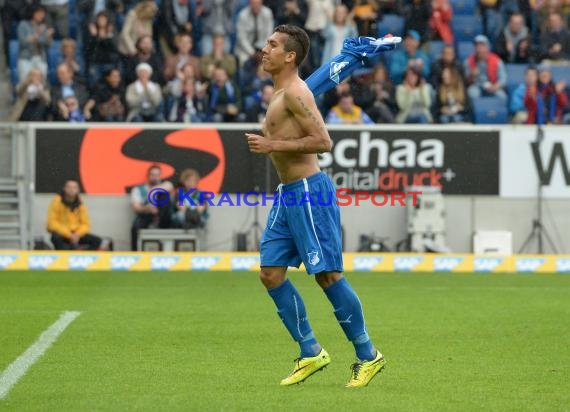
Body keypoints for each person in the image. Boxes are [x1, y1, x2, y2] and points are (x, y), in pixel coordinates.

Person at [245, 24, 385, 388]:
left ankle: (368, 355)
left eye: (272, 45)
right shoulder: (285, 91)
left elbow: (323, 141)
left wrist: (272, 146)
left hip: (310, 192)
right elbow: (322, 79)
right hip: (289, 194)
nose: (265, 49)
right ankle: (310, 351)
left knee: (327, 276)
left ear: (289, 56)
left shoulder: (292, 92)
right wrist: (351, 56)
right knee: (270, 273)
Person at [47, 180, 102, 250]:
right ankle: (63, 259)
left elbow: (86, 224)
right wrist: (69, 235)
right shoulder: (56, 201)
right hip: (62, 233)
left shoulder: (80, 203)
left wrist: (77, 234)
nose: (71, 190)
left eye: (74, 187)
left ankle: (84, 258)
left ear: (78, 190)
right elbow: (51, 223)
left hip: (76, 233)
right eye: (69, 187)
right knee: (56, 238)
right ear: (64, 189)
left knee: (97, 241)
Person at [130, 165, 173, 251]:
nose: (155, 177)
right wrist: (147, 208)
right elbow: (136, 207)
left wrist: (154, 190)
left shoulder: (165, 184)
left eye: (157, 175)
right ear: (148, 176)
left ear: (161, 176)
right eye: (152, 175)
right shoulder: (138, 189)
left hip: (163, 216)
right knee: (135, 227)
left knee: (164, 195)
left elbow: (169, 187)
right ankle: (135, 253)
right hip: (146, 215)